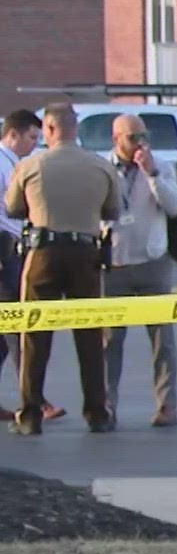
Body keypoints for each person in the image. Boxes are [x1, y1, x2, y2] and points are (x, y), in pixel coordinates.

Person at [4, 103, 121, 435]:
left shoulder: (31, 165)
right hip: (86, 253)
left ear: (50, 130)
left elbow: (13, 208)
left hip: (43, 252)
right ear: (76, 128)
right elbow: (112, 210)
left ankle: (29, 416)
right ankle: (97, 412)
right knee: (89, 335)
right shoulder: (100, 166)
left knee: (34, 337)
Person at [104, 114, 177, 427]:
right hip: (114, 262)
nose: (140, 143)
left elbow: (175, 206)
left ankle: (167, 405)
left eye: (143, 136)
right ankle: (107, 405)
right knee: (109, 342)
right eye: (132, 137)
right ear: (116, 139)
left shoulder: (161, 165)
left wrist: (152, 175)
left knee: (162, 340)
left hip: (152, 261)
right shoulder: (103, 168)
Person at [0, 111, 64, 423]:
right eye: (30, 138)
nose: (34, 145)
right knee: (17, 324)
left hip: (15, 249)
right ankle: (35, 400)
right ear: (13, 134)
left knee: (4, 333)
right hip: (4, 252)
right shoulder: (2, 164)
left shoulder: (16, 164)